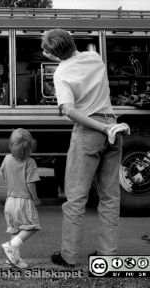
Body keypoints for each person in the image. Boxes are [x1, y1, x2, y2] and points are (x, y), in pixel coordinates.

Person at [41, 29, 129, 267]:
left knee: (76, 198)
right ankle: (108, 254)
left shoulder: (61, 73)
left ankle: (69, 255)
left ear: (52, 53)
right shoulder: (95, 57)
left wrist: (101, 129)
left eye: (46, 50)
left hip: (91, 131)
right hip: (114, 124)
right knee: (110, 196)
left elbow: (69, 111)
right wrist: (108, 128)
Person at [0, 128, 41, 269]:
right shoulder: (30, 162)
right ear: (30, 147)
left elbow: (3, 174)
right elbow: (30, 183)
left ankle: (13, 260)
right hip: (24, 201)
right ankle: (12, 246)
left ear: (11, 145)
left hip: (10, 200)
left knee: (15, 230)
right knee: (32, 227)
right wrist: (35, 199)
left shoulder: (6, 159)